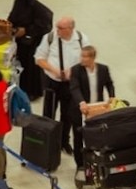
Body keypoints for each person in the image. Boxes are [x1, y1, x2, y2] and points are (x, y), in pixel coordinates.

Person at [35, 16, 90, 153]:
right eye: (57, 27)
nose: (57, 30)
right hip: (52, 82)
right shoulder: (50, 38)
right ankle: (47, 141)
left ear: (70, 29)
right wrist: (55, 71)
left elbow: (87, 60)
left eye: (61, 28)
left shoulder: (82, 39)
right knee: (49, 113)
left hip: (71, 84)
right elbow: (39, 58)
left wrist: (72, 71)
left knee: (68, 114)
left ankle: (63, 141)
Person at [68, 46, 116, 173]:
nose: (82, 59)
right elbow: (75, 88)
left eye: (85, 56)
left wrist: (111, 96)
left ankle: (96, 162)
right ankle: (80, 165)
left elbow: (109, 83)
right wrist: (81, 102)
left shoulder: (103, 69)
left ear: (93, 58)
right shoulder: (76, 70)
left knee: (96, 135)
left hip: (96, 109)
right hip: (80, 110)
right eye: (81, 56)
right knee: (78, 137)